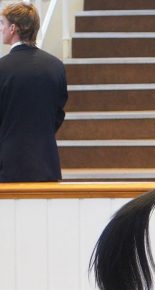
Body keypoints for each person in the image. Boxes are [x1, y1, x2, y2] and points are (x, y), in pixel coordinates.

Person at [0, 2, 67, 183]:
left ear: (13, 28)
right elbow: (58, 114)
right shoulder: (56, 66)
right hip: (46, 164)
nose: (1, 28)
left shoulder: (2, 68)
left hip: (7, 166)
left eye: (2, 23)